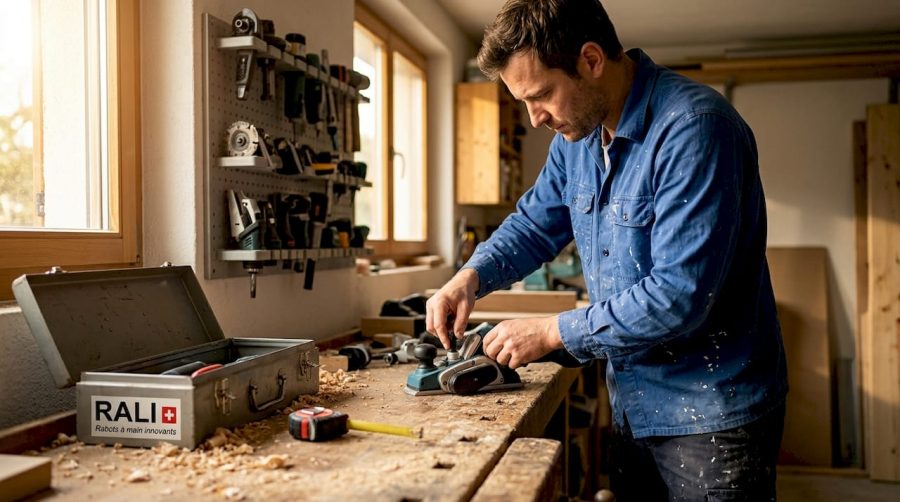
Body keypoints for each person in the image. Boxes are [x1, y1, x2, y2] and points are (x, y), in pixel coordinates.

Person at [425, 0, 788, 500]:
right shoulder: (576, 139)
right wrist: (471, 275)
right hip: (634, 403)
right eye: (523, 103)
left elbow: (679, 295)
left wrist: (552, 330)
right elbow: (535, 223)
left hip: (712, 416)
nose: (535, 118)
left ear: (591, 60)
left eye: (542, 95)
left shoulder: (696, 128)